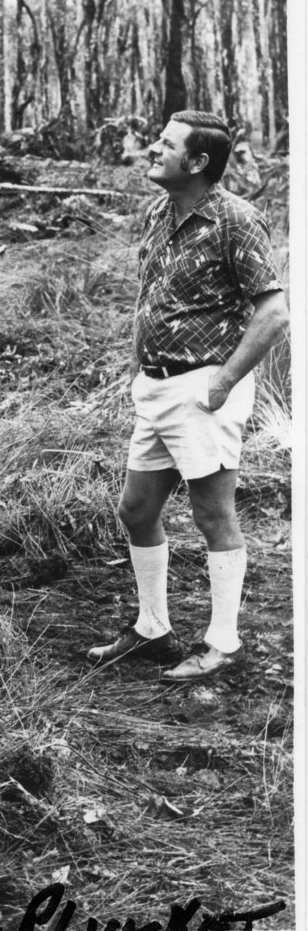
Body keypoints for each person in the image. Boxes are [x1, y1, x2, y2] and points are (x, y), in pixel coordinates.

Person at [86, 111, 288, 681]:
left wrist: (222, 384)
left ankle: (223, 641)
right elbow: (150, 299)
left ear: (197, 163)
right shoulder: (158, 213)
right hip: (154, 385)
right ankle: (153, 629)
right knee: (137, 509)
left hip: (203, 388)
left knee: (212, 514)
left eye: (166, 144)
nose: (153, 149)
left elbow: (273, 314)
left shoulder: (236, 220)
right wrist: (135, 371)